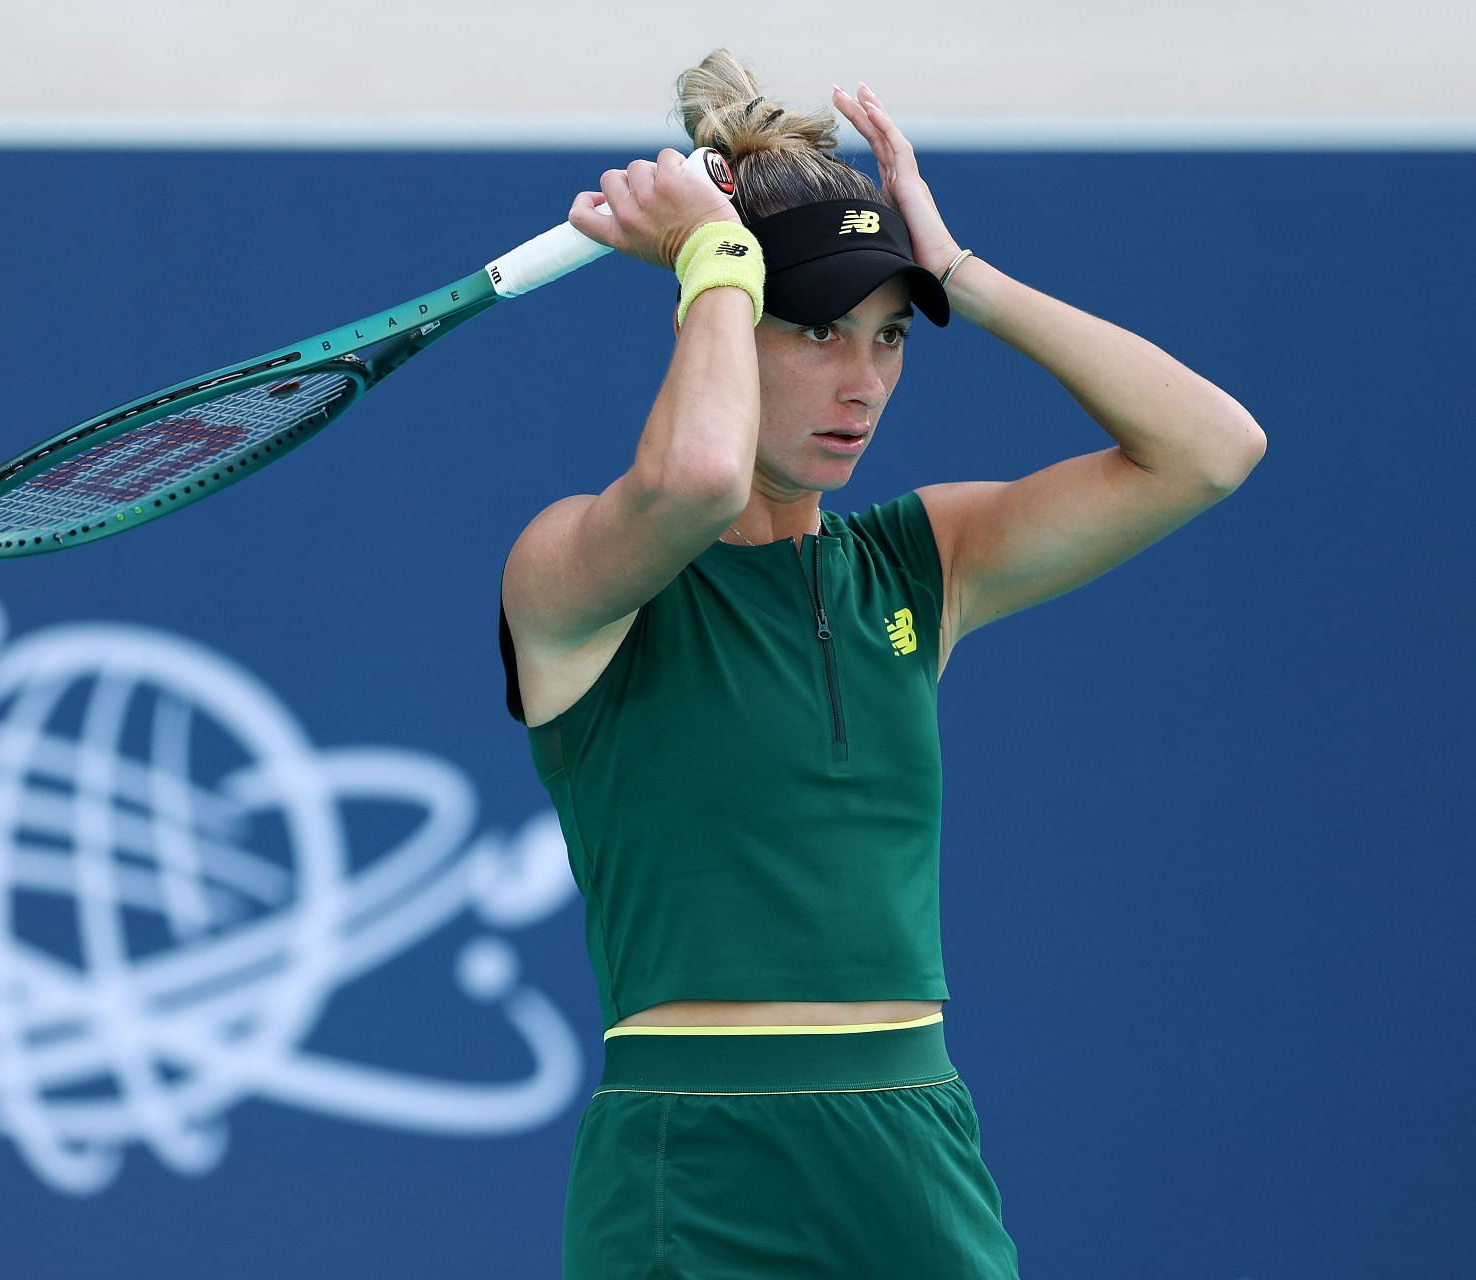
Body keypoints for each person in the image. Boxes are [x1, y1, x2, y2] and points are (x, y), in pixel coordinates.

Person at [496, 48, 1266, 1277]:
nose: (863, 384)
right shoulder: (574, 573)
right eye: (817, 333)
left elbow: (1210, 449)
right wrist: (714, 264)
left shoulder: (923, 563)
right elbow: (695, 480)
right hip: (690, 1165)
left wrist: (964, 273)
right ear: (731, 324)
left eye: (893, 338)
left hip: (914, 1144)